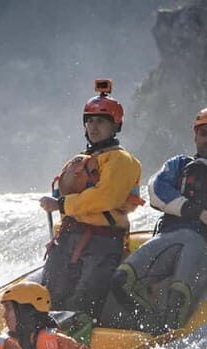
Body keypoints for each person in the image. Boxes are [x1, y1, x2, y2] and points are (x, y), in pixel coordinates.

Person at [103, 107, 207, 334]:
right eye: (204, 134)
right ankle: (147, 323)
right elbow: (156, 191)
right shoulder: (178, 165)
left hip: (205, 251)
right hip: (169, 240)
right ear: (195, 136)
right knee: (121, 280)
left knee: (179, 292)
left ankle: (168, 330)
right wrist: (199, 213)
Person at [39, 79, 143, 319]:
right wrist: (58, 203)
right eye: (90, 121)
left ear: (115, 126)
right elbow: (66, 194)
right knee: (52, 296)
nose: (94, 127)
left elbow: (105, 197)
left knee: (84, 300)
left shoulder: (121, 160)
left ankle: (80, 343)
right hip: (68, 237)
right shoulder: (79, 160)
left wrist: (61, 204)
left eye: (101, 122)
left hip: (103, 241)